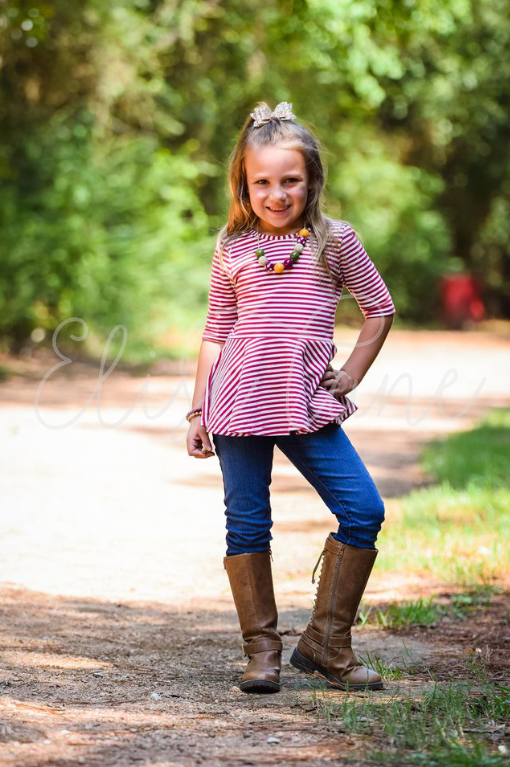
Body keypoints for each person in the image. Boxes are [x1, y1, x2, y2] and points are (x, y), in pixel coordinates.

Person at [186, 101, 395, 695]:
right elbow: (214, 332)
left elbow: (379, 308)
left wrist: (351, 372)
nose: (277, 194)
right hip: (234, 406)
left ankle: (328, 642)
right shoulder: (231, 247)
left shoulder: (335, 241)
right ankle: (262, 651)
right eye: (263, 183)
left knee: (363, 509)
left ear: (312, 181)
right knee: (247, 522)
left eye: (290, 181)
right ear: (244, 186)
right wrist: (198, 409)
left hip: (306, 403)